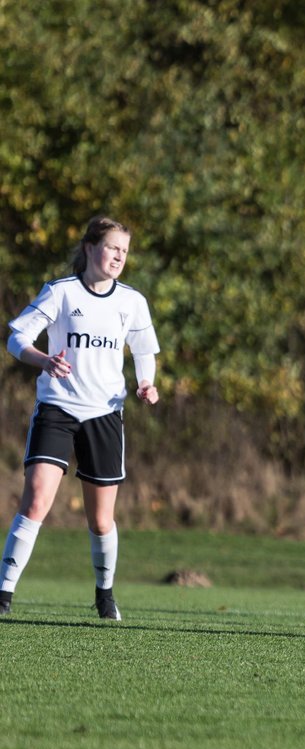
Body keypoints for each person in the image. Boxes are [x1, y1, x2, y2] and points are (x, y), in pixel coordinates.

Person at [2, 216, 161, 620]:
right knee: (36, 500)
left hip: (105, 413)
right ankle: (3, 594)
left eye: (125, 251)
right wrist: (43, 360)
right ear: (90, 249)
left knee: (102, 519)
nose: (120, 256)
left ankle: (105, 594)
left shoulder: (132, 301)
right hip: (57, 407)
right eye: (112, 248)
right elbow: (16, 336)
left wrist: (146, 383)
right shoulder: (61, 293)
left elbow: (144, 351)